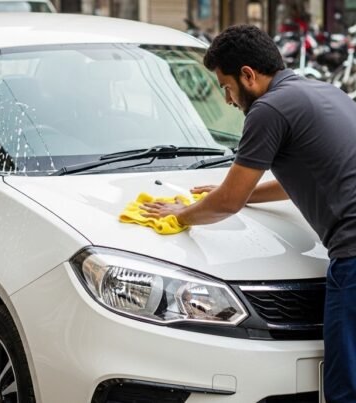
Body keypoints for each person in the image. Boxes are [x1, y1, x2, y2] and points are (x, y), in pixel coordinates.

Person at [140, 24, 356, 402]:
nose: (226, 100)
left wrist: (182, 213)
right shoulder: (320, 91)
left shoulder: (269, 109)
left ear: (248, 76)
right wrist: (244, 193)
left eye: (225, 87)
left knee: (343, 389)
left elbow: (227, 203)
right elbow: (304, 178)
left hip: (353, 257)